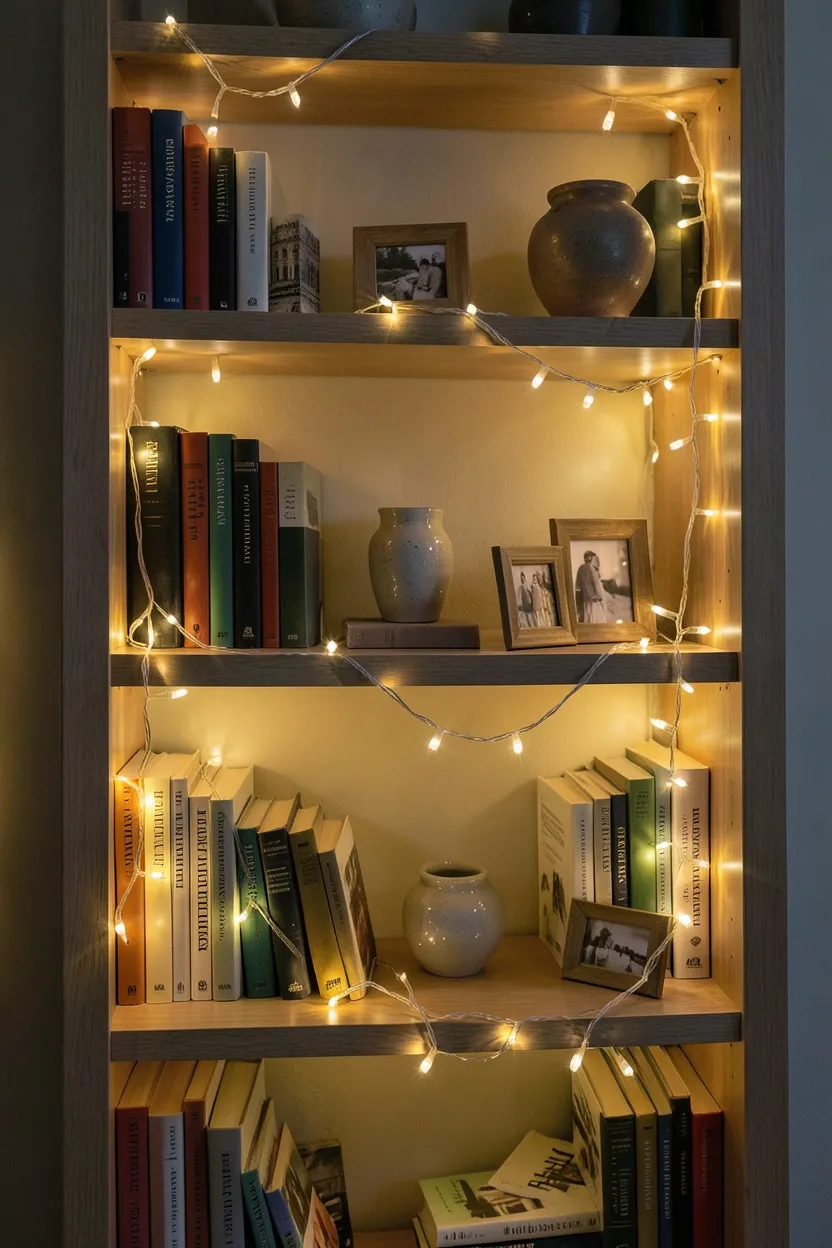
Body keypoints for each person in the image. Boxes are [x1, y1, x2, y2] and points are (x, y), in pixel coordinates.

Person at [575, 550, 607, 623]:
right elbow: (586, 583)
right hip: (591, 600)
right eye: (595, 559)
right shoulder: (586, 567)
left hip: (593, 597)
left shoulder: (589, 568)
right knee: (595, 618)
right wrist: (592, 596)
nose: (597, 561)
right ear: (590, 559)